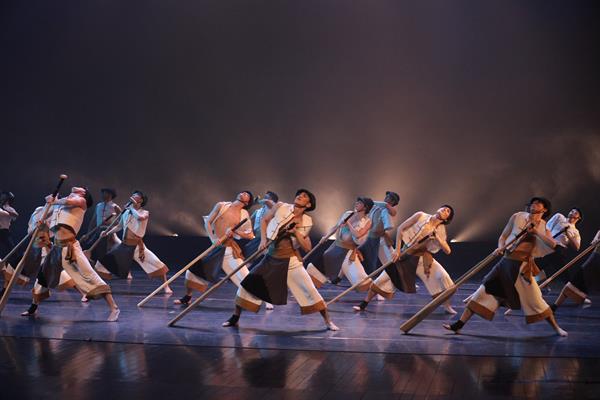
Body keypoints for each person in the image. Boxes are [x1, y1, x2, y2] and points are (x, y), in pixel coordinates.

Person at [443, 197, 567, 336]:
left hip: (522, 268)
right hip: (505, 263)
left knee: (537, 301)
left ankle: (556, 328)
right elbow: (503, 237)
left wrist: (536, 232)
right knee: (482, 292)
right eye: (533, 203)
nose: (534, 205)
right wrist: (500, 247)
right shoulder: (517, 217)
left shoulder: (544, 227)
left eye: (538, 204)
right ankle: (459, 325)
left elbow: (553, 245)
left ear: (544, 209)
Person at [223, 189, 339, 331]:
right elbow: (265, 220)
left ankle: (328, 321)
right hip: (271, 258)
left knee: (310, 290)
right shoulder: (281, 206)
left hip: (291, 261)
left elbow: (307, 247)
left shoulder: (307, 221)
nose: (299, 196)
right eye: (299, 194)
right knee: (247, 285)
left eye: (304, 196)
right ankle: (235, 318)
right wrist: (263, 240)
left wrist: (295, 232)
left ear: (308, 205)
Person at [20, 187, 120, 321]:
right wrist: (43, 219)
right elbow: (47, 219)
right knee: (42, 277)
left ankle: (114, 308)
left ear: (83, 193)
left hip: (70, 248)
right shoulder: (60, 205)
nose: (77, 187)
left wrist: (54, 200)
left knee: (89, 275)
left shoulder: (81, 201)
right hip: (56, 248)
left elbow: (68, 202)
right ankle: (33, 307)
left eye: (82, 188)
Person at [353, 206, 456, 314]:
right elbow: (401, 228)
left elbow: (447, 251)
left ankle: (447, 306)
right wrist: (397, 250)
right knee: (383, 278)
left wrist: (437, 237)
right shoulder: (421, 216)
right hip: (406, 254)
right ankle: (363, 304)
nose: (445, 209)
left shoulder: (441, 230)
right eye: (444, 208)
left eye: (447, 211)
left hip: (422, 258)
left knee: (442, 276)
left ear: (446, 219)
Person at [174, 191, 255, 305]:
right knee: (192, 272)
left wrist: (236, 232)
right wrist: (213, 239)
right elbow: (208, 222)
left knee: (245, 276)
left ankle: (263, 301)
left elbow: (250, 235)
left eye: (247, 194)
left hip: (230, 250)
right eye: (243, 192)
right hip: (216, 248)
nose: (243, 193)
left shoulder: (244, 214)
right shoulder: (222, 205)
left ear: (247, 202)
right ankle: (187, 297)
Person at [94, 190, 172, 294]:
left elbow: (140, 218)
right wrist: (107, 233)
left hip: (137, 247)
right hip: (124, 246)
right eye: (133, 195)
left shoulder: (144, 212)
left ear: (141, 200)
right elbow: (119, 226)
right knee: (102, 263)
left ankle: (166, 286)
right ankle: (99, 286)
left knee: (156, 263)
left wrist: (131, 208)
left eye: (136, 196)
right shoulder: (126, 213)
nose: (133, 197)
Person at [551, 230, 600, 311]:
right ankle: (554, 307)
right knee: (573, 284)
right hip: (595, 259)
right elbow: (594, 240)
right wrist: (596, 240)